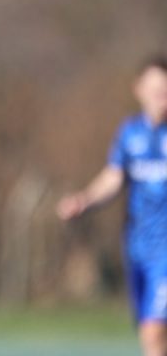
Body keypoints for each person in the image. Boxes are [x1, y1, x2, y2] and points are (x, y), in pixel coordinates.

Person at [58, 55, 167, 356]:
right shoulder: (130, 133)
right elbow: (114, 178)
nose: (161, 96)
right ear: (138, 90)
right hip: (138, 247)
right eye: (155, 90)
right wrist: (85, 200)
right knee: (149, 333)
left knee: (154, 331)